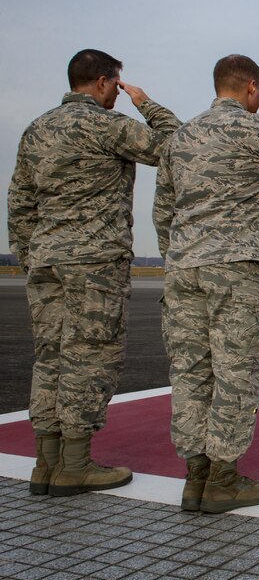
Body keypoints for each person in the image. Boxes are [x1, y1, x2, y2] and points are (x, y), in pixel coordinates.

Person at [7, 49, 181, 496]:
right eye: (116, 87)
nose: (117, 96)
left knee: (50, 358)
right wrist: (146, 103)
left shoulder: (37, 129)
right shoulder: (107, 126)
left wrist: (30, 255)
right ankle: (75, 465)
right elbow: (177, 147)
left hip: (45, 261)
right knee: (90, 357)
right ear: (104, 83)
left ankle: (45, 465)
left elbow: (20, 201)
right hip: (93, 262)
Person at [153, 54, 259, 514]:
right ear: (252, 90)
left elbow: (163, 210)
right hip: (236, 267)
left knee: (189, 371)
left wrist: (179, 254)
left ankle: (194, 477)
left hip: (183, 267)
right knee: (235, 372)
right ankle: (223, 479)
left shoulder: (180, 138)